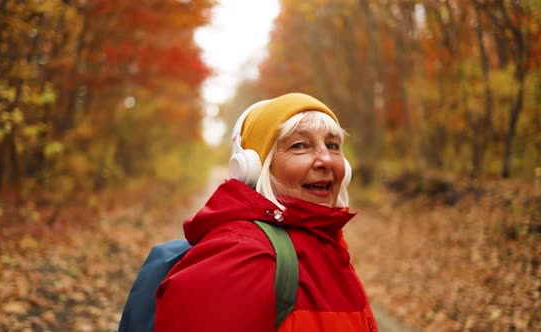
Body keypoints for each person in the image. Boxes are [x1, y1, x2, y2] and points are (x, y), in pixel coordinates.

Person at [155, 92, 378, 331]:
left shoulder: (326, 242)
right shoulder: (241, 256)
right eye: (299, 145)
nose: (325, 159)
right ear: (254, 167)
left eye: (332, 145)